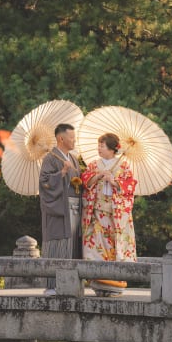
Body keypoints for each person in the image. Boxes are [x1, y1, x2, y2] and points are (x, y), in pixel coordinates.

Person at [79, 133, 138, 295]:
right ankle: (97, 277)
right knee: (96, 242)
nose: (99, 149)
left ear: (112, 149)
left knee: (114, 243)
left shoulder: (124, 166)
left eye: (102, 146)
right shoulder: (93, 165)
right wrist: (98, 175)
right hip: (97, 212)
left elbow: (130, 187)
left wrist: (114, 181)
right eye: (98, 145)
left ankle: (114, 280)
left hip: (115, 214)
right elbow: (85, 180)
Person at [38, 123, 82, 295]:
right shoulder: (50, 158)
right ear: (61, 138)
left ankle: (70, 283)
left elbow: (78, 181)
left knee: (72, 246)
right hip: (58, 210)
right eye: (72, 137)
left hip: (74, 208)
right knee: (56, 246)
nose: (74, 140)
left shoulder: (73, 158)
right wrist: (62, 173)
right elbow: (44, 183)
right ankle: (51, 286)